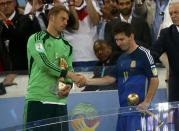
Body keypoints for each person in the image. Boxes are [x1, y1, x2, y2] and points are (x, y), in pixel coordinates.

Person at [81, 22, 159, 131]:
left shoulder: (144, 54)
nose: (118, 43)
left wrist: (147, 102)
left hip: (139, 112)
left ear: (131, 36)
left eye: (121, 39)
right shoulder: (121, 58)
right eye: (116, 40)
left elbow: (154, 79)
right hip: (123, 112)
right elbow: (110, 79)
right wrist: (86, 81)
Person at [24, 5, 84, 131]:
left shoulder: (67, 46)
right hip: (39, 100)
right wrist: (70, 76)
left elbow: (69, 69)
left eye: (67, 20)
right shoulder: (37, 38)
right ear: (51, 17)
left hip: (60, 103)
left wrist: (68, 86)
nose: (65, 23)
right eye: (62, 19)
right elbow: (44, 64)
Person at [151, 0, 179, 130]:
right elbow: (153, 53)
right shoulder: (166, 33)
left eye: (177, 12)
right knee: (177, 120)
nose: (173, 15)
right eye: (171, 13)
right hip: (176, 85)